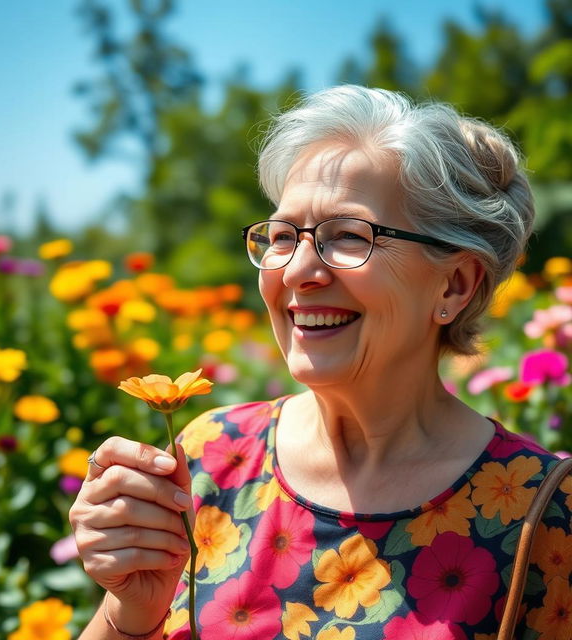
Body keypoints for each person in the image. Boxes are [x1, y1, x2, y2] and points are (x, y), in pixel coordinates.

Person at [69, 86, 572, 640]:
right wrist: (133, 613)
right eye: (282, 236)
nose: (296, 270)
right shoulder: (210, 455)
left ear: (453, 285)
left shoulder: (540, 513)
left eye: (349, 237)